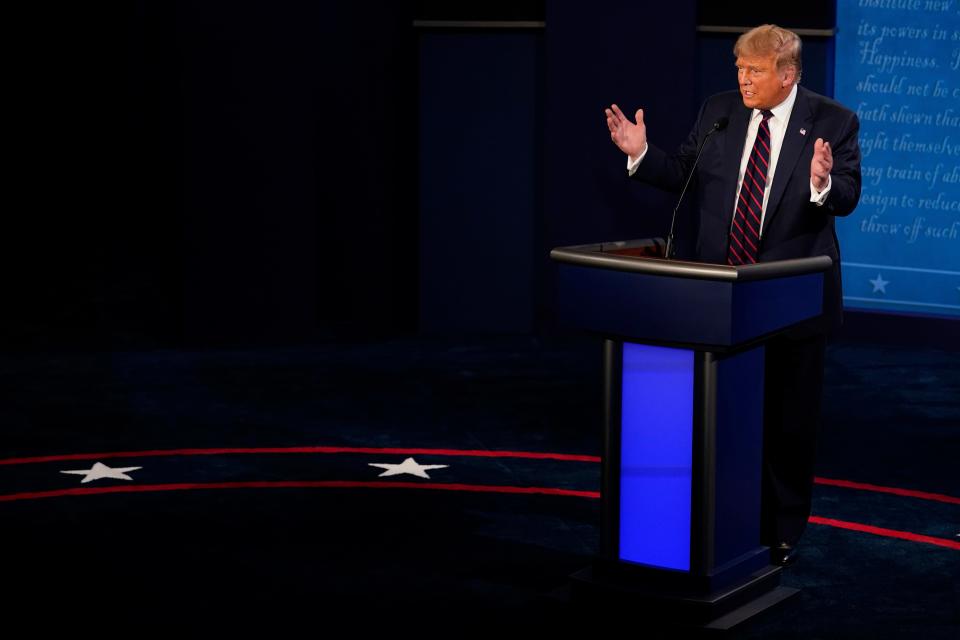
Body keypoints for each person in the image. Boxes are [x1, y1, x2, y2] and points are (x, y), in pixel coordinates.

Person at [604, 24, 862, 566]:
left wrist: (821, 182)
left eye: (755, 71)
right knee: (717, 417)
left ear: (787, 75)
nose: (743, 80)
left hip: (790, 299)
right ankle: (717, 516)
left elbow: (846, 196)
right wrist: (642, 153)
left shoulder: (833, 121)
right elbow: (683, 173)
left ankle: (783, 529)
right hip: (716, 298)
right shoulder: (720, 110)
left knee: (787, 421)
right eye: (739, 69)